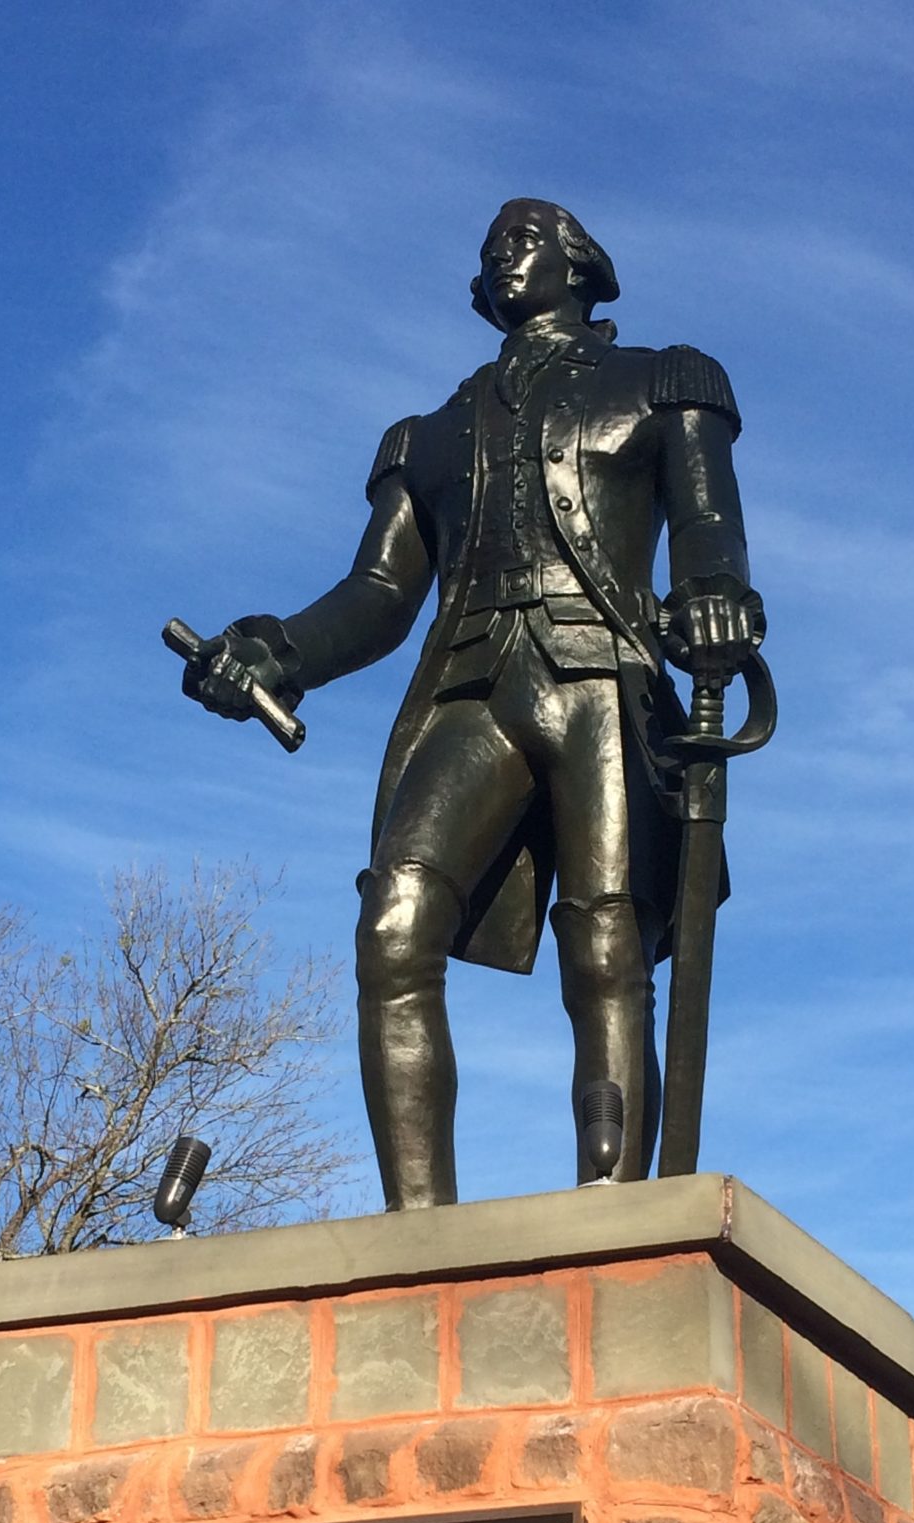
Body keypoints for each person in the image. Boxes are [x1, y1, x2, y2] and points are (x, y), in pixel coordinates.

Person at [180, 197, 764, 1209]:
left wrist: (714, 603)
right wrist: (274, 651)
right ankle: (415, 1228)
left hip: (599, 677)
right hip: (469, 683)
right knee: (391, 928)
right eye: (489, 248)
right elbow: (376, 596)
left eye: (523, 240)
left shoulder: (664, 384)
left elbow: (710, 542)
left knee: (604, 938)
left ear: (579, 263)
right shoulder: (428, 436)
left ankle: (608, 1211)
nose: (501, 256)